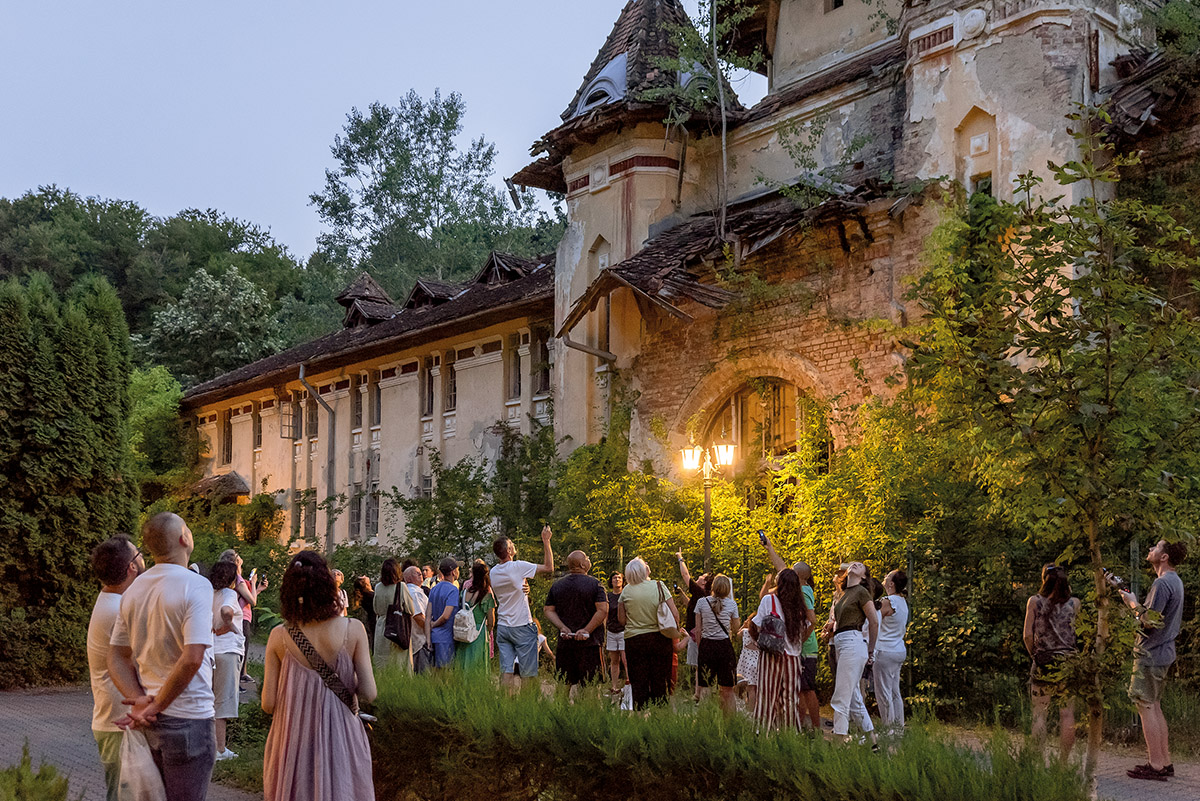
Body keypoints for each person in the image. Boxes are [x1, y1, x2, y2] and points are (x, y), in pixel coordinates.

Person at [107, 513, 216, 801]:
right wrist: (156, 706)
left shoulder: (134, 589)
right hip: (189, 717)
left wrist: (140, 701)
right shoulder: (196, 585)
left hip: (150, 721)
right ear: (184, 538)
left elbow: (116, 656)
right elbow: (192, 657)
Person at [261, 551, 376, 801]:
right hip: (342, 739)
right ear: (328, 586)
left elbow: (268, 704)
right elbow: (369, 692)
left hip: (293, 742)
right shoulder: (353, 629)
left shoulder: (279, 637)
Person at [1119, 540, 1188, 781]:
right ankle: (1164, 761)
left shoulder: (1162, 583)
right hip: (1164, 652)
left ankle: (1156, 765)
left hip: (1150, 654)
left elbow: (1148, 620)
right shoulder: (1176, 581)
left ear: (1164, 557)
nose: (1150, 549)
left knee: (1145, 706)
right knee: (1155, 706)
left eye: (1156, 547)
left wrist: (1131, 602)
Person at [87, 535, 144, 801]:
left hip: (114, 719)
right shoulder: (118, 610)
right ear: (132, 566)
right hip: (120, 722)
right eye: (139, 554)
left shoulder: (112, 602)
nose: (144, 559)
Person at [760, 533, 819, 728]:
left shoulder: (803, 593)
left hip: (798, 648)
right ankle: (795, 730)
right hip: (793, 649)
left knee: (803, 690)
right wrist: (770, 548)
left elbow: (812, 620)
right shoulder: (796, 592)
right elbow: (782, 569)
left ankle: (814, 728)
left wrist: (801, 639)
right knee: (793, 694)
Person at [1021, 564, 1077, 760]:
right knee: (1067, 714)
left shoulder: (1034, 602)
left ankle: (1037, 759)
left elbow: (1027, 635)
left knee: (1039, 713)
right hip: (1068, 662)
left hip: (1044, 660)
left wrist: (1034, 655)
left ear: (1044, 580)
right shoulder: (1074, 604)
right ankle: (1063, 762)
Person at [490, 526, 555, 691]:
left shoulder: (493, 572)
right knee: (528, 673)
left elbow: (514, 587)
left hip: (503, 626)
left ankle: (505, 702)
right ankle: (526, 703)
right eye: (511, 543)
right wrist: (546, 541)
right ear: (509, 551)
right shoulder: (517, 567)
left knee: (506, 670)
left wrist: (526, 587)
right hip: (521, 626)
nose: (513, 545)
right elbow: (549, 568)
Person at [747, 569, 813, 731]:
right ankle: (789, 735)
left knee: (767, 696)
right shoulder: (799, 605)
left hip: (771, 655)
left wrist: (758, 642)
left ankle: (762, 732)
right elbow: (809, 625)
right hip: (793, 657)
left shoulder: (769, 600)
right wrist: (798, 643)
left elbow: (755, 625)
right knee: (789, 699)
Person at [617, 557, 680, 710]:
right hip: (660, 638)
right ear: (643, 571)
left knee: (639, 681)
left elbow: (621, 620)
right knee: (660, 679)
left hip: (634, 640)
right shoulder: (658, 585)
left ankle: (640, 714)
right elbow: (675, 613)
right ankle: (660, 715)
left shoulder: (625, 591)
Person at [544, 551, 609, 696]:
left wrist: (562, 627)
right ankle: (586, 710)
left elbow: (548, 610)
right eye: (587, 558)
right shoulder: (595, 584)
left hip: (565, 643)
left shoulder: (557, 585)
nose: (589, 560)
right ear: (582, 565)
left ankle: (560, 709)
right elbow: (603, 610)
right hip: (590, 644)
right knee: (590, 686)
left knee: (563, 685)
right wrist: (586, 630)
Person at [828, 562, 878, 746]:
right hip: (841, 641)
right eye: (854, 563)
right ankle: (873, 742)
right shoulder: (844, 593)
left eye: (860, 565)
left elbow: (874, 621)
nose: (856, 564)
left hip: (853, 642)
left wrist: (871, 649)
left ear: (864, 576)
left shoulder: (861, 592)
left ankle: (839, 742)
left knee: (841, 695)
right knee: (854, 697)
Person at [209, 559, 244, 761]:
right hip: (227, 651)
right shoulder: (229, 594)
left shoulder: (209, 593)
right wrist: (229, 625)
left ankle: (209, 745)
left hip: (211, 650)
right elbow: (226, 611)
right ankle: (220, 749)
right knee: (223, 701)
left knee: (210, 699)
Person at [218, 549, 267, 684]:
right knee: (241, 647)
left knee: (239, 647)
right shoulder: (238, 580)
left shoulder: (227, 578)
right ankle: (238, 679)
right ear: (236, 562)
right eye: (238, 557)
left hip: (235, 615)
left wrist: (257, 590)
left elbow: (245, 598)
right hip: (241, 617)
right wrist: (253, 583)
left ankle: (240, 675)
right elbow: (252, 601)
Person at [696, 574, 740, 713]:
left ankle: (705, 718)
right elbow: (736, 628)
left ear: (713, 587)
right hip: (724, 646)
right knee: (727, 688)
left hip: (707, 645)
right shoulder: (732, 604)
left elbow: (698, 630)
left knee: (705, 687)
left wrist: (700, 647)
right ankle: (730, 720)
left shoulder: (701, 602)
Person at [874, 569, 910, 733]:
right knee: (895, 692)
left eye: (886, 577)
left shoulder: (888, 602)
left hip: (885, 650)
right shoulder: (902, 601)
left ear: (891, 584)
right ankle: (898, 728)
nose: (884, 578)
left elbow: (873, 620)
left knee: (883, 692)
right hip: (898, 649)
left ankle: (888, 729)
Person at [675, 553, 710, 701]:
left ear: (704, 583)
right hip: (695, 633)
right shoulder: (699, 595)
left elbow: (685, 575)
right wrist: (681, 593)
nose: (699, 577)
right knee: (698, 665)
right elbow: (690, 604)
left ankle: (699, 695)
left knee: (699, 664)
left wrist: (680, 558)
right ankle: (697, 693)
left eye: (702, 576)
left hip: (697, 634)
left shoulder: (700, 591)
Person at [455, 560, 497, 672]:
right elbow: (491, 620)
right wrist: (489, 631)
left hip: (464, 631)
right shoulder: (486, 595)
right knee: (478, 664)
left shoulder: (464, 592)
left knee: (464, 662)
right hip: (479, 631)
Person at [371, 559, 411, 670]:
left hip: (381, 627)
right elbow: (410, 609)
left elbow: (376, 609)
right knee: (398, 663)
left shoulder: (378, 587)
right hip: (397, 626)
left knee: (382, 662)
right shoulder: (401, 586)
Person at [426, 557, 461, 668]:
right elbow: (446, 616)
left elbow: (427, 616)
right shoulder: (453, 590)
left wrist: (428, 638)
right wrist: (434, 624)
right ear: (453, 572)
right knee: (446, 672)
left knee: (435, 672)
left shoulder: (434, 589)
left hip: (434, 637)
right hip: (446, 638)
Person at [403, 566, 433, 672]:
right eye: (417, 573)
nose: (421, 575)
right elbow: (418, 617)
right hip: (420, 640)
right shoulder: (414, 593)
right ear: (409, 578)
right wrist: (431, 629)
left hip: (419, 639)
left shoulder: (414, 591)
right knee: (423, 673)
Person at [605, 572, 628, 695]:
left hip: (624, 630)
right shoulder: (608, 597)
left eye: (619, 577)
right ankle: (614, 686)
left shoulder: (626, 595)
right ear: (611, 581)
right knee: (614, 660)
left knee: (625, 659)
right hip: (611, 631)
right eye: (614, 577)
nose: (617, 579)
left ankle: (629, 684)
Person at [353, 576, 376, 655]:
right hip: (375, 619)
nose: (365, 575)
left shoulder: (367, 595)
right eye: (363, 577)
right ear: (365, 583)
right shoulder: (369, 595)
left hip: (371, 619)